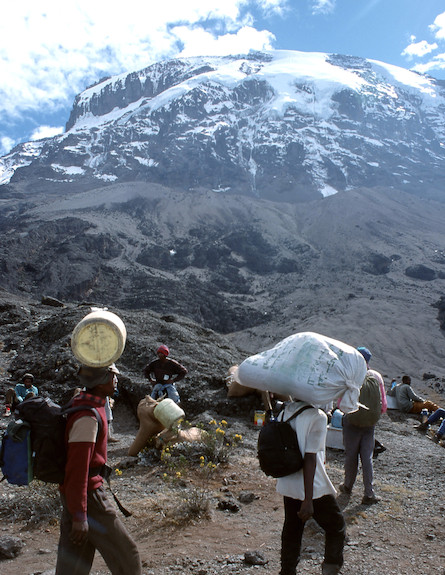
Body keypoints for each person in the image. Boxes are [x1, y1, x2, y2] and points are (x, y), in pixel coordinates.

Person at [55, 364, 142, 575]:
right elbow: (77, 469)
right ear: (101, 380)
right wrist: (80, 515)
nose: (116, 380)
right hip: (89, 496)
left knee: (74, 563)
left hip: (79, 495)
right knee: (127, 557)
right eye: (113, 376)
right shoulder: (87, 417)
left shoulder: (87, 405)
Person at [276, 399, 345, 575]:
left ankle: (287, 571)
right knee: (336, 527)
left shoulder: (286, 412)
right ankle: (330, 569)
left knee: (292, 528)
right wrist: (308, 500)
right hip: (312, 486)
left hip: (289, 481)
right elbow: (310, 458)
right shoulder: (318, 417)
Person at [339, 346, 385, 505]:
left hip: (351, 422)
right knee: (367, 457)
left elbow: (340, 404)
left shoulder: (350, 375)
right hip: (369, 424)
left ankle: (347, 486)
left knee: (351, 455)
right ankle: (369, 494)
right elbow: (383, 406)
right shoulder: (377, 377)